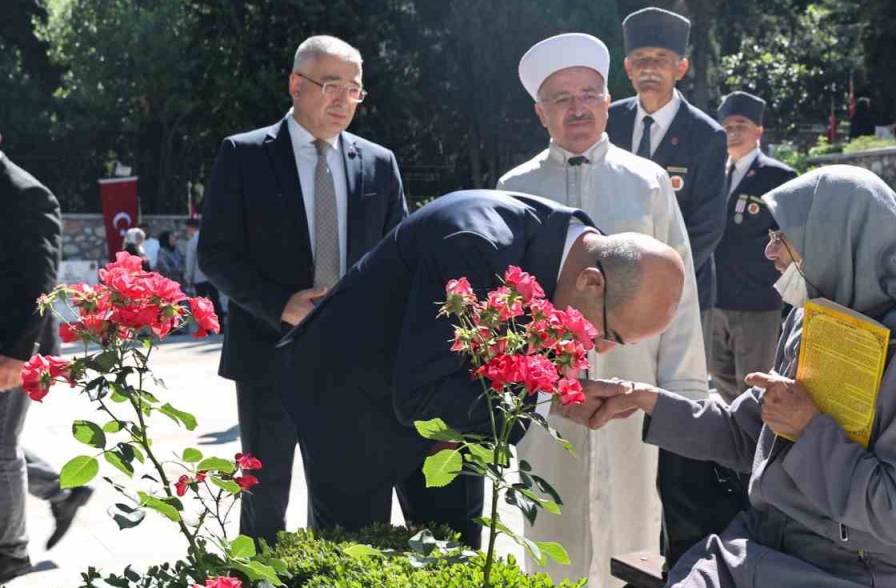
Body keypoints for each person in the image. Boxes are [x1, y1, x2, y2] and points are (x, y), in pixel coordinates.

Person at [562, 165, 896, 588]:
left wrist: (810, 430)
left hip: (878, 586)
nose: (769, 251)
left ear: (836, 239)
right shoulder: (815, 319)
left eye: (783, 236)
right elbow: (749, 433)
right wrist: (644, 400)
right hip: (766, 556)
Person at [277, 191, 688, 546]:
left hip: (442, 399)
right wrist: (549, 399)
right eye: (609, 334)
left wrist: (560, 396)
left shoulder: (577, 250)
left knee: (456, 558)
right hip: (349, 398)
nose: (600, 349)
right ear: (591, 282)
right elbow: (422, 395)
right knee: (355, 566)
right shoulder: (476, 244)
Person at [497, 33, 707, 588]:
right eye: (561, 98)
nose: (578, 107)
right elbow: (501, 304)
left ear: (608, 99)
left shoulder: (647, 181)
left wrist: (684, 397)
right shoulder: (514, 188)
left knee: (635, 521)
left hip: (632, 383)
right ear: (540, 112)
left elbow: (679, 293)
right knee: (548, 518)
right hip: (546, 399)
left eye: (589, 93)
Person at [199, 35, 408, 541]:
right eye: (331, 85)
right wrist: (279, 304)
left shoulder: (379, 162)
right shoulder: (244, 155)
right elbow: (216, 254)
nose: (343, 100)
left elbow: (399, 256)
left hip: (353, 362)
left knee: (349, 502)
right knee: (264, 500)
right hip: (269, 354)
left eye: (354, 90)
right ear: (296, 85)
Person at [604, 5, 733, 565]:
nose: (648, 70)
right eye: (638, 61)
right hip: (604, 305)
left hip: (677, 306)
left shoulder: (704, 136)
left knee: (677, 416)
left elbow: (706, 226)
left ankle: (678, 549)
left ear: (681, 67)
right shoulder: (607, 121)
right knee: (613, 410)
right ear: (626, 69)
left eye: (659, 60)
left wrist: (652, 290)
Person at [0, 138, 93, 583]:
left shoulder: (27, 194)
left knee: (0, 445)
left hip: (13, 347)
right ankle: (63, 491)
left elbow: (39, 284)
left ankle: (10, 551)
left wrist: (16, 354)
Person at [710, 91, 796, 400]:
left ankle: (754, 445)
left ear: (758, 130)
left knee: (755, 385)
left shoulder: (778, 176)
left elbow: (790, 236)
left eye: (742, 124)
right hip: (715, 296)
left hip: (756, 299)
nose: (733, 130)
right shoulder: (712, 172)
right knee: (718, 374)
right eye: (728, 125)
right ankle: (736, 440)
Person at [184, 218, 223, 324]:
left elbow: (190, 261)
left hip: (199, 276)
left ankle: (205, 326)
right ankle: (220, 324)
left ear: (190, 228)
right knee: (215, 300)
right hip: (213, 276)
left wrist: (189, 276)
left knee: (201, 303)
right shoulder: (210, 238)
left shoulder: (192, 241)